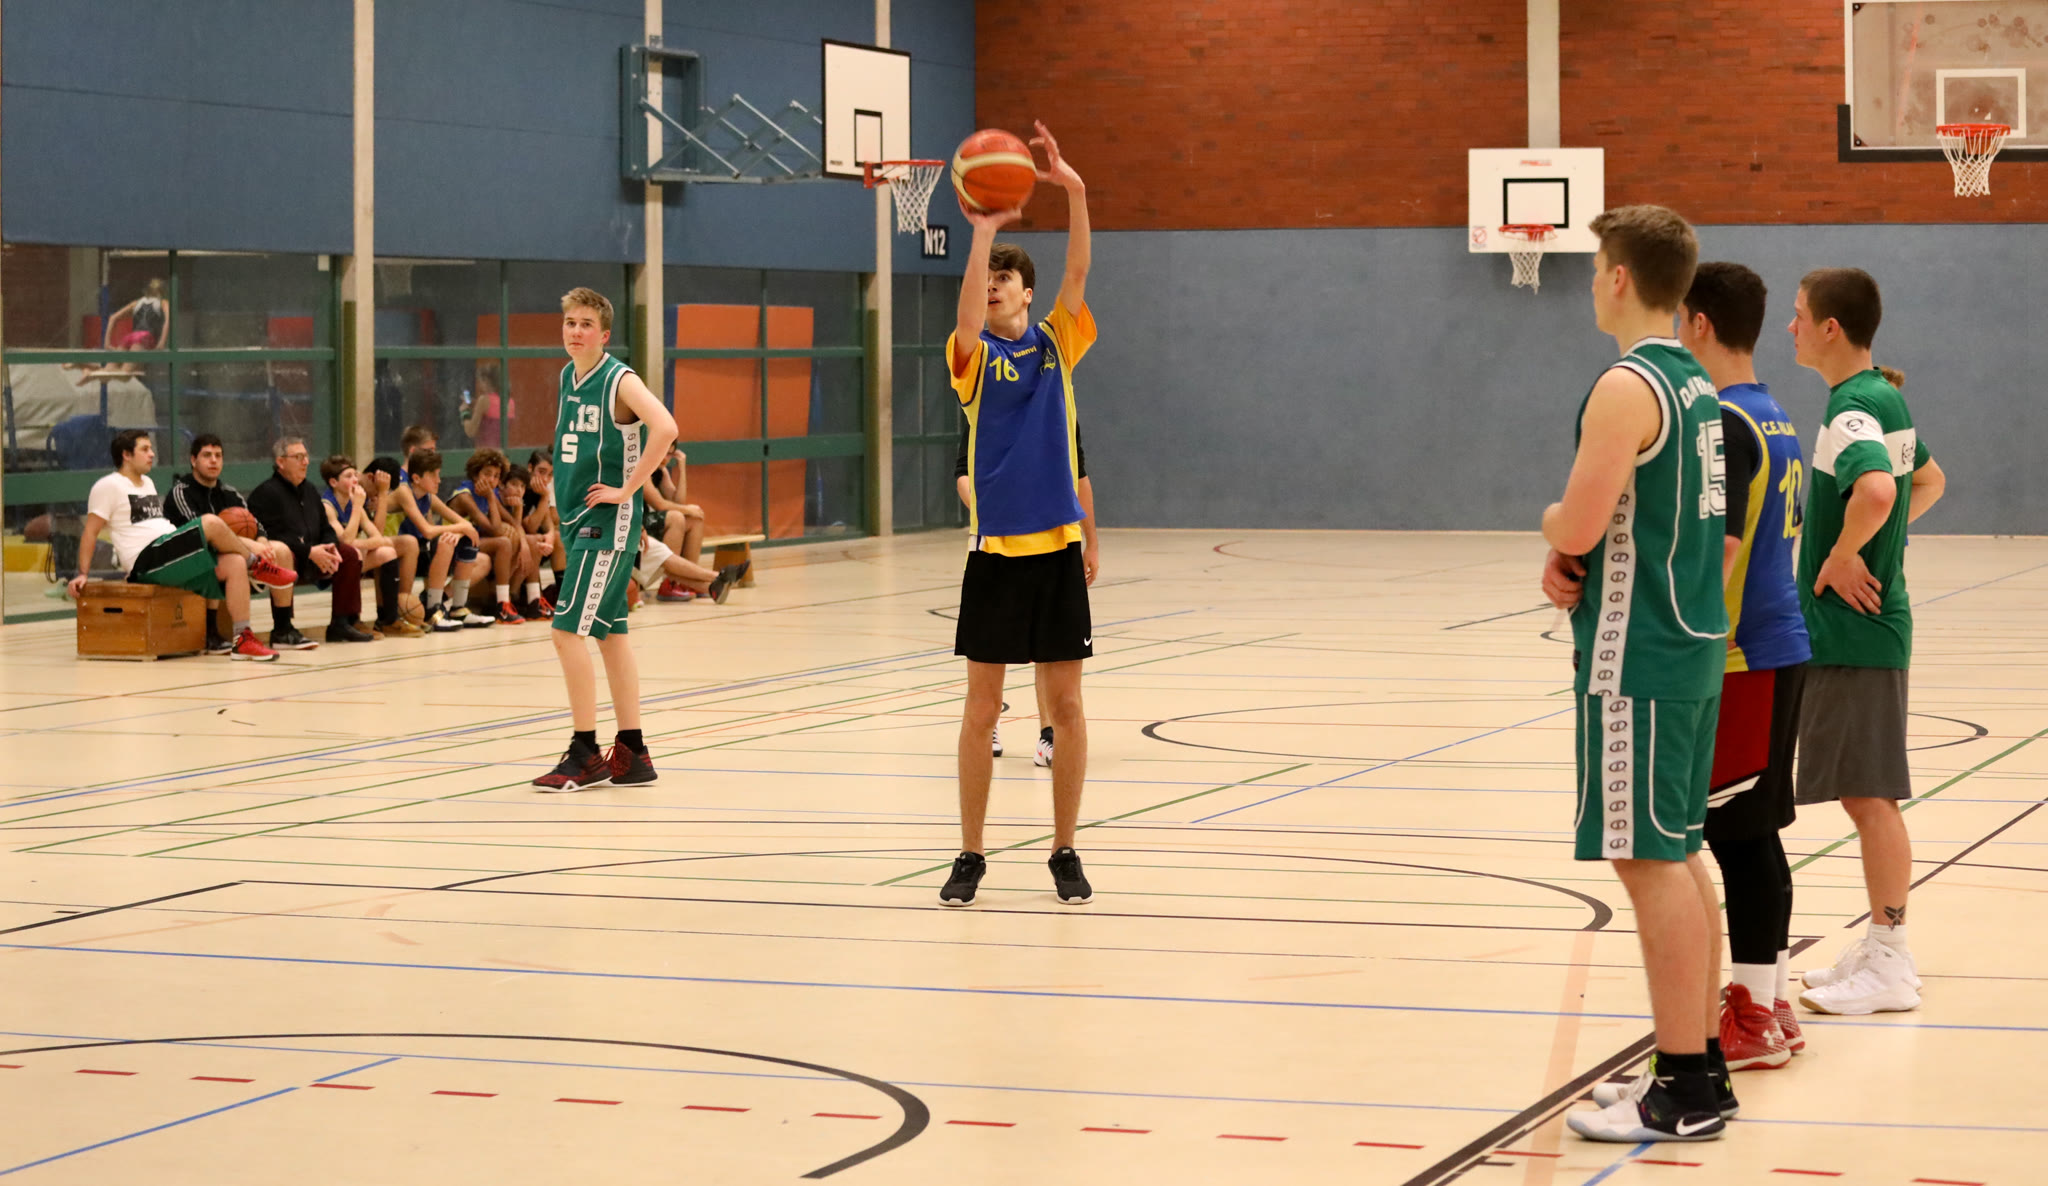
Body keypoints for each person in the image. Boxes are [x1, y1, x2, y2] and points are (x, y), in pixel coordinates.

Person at [1542, 205, 1731, 1143]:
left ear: (1619, 277)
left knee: (1649, 859)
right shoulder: (1695, 381)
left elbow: (1578, 522)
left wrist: (1553, 531)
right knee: (1679, 852)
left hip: (1638, 652)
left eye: (1592, 269)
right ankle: (1697, 1063)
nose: (1589, 284)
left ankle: (1686, 1085)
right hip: (1688, 644)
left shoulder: (1627, 385)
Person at [938, 121, 1096, 908]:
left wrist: (1074, 190)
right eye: (991, 277)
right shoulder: (974, 360)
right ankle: (971, 853)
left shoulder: (1057, 343)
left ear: (1027, 293)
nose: (996, 285)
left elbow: (1078, 270)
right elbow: (967, 320)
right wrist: (981, 232)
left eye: (1007, 277)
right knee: (981, 711)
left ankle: (1064, 848)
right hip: (996, 556)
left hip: (1057, 553)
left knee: (1065, 708)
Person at [1788, 269, 1947, 1016]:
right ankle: (1881, 947)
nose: (1790, 328)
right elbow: (1931, 482)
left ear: (1830, 328)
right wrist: (1872, 547)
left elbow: (1881, 491)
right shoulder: (1883, 396)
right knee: (1865, 793)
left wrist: (1847, 553)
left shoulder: (1854, 404)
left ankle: (1890, 959)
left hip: (1856, 633)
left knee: (1869, 796)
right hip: (1863, 631)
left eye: (1798, 316)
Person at [1670, 262, 1814, 1069]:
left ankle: (1754, 1016)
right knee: (1752, 834)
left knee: (1738, 839)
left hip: (1742, 655)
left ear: (1699, 324)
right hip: (1773, 646)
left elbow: (1721, 551)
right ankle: (1768, 1001)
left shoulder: (1724, 421)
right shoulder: (1773, 413)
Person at [532, 287, 678, 792]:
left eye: (586, 324)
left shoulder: (620, 379)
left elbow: (666, 427)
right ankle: (633, 752)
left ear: (605, 333)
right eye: (569, 323)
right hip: (578, 521)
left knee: (564, 632)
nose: (575, 331)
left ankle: (586, 751)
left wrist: (627, 489)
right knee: (611, 635)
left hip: (606, 523)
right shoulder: (568, 376)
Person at [69, 429, 296, 661]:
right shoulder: (108, 485)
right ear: (126, 455)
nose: (152, 454)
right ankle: (256, 564)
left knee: (234, 563)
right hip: (145, 559)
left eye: (151, 449)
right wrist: (82, 573)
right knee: (210, 522)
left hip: (167, 553)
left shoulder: (147, 483)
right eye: (145, 449)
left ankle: (243, 639)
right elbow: (91, 532)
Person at [958, 415, 1099, 767]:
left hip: (1055, 548)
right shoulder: (986, 406)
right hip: (997, 547)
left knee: (1052, 651)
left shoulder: (1060, 408)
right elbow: (963, 473)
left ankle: (1048, 735)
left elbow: (1078, 475)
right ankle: (988, 723)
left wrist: (1092, 542)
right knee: (992, 648)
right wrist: (989, 510)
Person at [164, 433, 296, 655]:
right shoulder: (181, 493)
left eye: (218, 455)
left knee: (281, 550)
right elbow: (200, 532)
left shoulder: (229, 493)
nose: (213, 461)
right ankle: (211, 631)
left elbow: (255, 524)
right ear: (193, 460)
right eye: (207, 455)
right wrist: (249, 545)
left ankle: (283, 629)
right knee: (219, 554)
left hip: (232, 555)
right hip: (188, 557)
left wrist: (262, 541)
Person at [248, 436, 374, 646]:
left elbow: (326, 528)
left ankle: (341, 623)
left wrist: (330, 546)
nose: (305, 462)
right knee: (282, 552)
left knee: (349, 554)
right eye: (298, 457)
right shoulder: (265, 494)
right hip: (292, 557)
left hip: (315, 555)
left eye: (306, 456)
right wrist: (309, 551)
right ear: (280, 462)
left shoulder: (310, 491)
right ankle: (282, 628)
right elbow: (272, 536)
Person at [320, 454, 424, 639]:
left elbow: (377, 536)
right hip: (326, 561)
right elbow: (345, 542)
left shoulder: (354, 500)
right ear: (334, 482)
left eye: (355, 474)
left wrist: (362, 542)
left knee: (387, 552)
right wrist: (358, 508)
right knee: (355, 553)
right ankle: (352, 620)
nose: (355, 479)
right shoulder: (328, 506)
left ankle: (390, 618)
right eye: (349, 476)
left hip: (349, 555)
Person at [393, 449, 494, 632]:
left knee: (465, 540)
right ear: (416, 478)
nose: (439, 480)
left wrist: (460, 532)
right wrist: (459, 529)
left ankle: (458, 608)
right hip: (396, 549)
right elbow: (427, 531)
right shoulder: (404, 491)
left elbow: (465, 525)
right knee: (446, 541)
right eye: (433, 475)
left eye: (439, 475)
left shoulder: (428, 497)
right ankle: (432, 608)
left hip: (417, 548)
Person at [445, 448, 535, 624]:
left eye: (496, 476)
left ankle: (502, 600)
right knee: (503, 542)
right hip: (449, 545)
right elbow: (495, 529)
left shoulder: (489, 493)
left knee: (512, 537)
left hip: (470, 545)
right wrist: (492, 499)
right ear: (475, 474)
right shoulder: (465, 496)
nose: (492, 480)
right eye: (487, 474)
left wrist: (524, 544)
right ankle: (501, 603)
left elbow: (514, 523)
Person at [497, 465, 556, 616]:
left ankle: (534, 600)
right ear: (501, 484)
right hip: (493, 549)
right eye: (514, 484)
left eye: (522, 486)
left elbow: (548, 523)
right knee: (524, 540)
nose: (519, 490)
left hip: (511, 549)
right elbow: (522, 527)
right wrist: (524, 545)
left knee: (535, 541)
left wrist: (549, 536)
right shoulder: (495, 498)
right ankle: (505, 601)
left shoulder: (522, 498)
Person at [523, 448, 567, 599]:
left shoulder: (540, 491)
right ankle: (534, 599)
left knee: (557, 538)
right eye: (541, 472)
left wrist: (550, 535)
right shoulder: (520, 487)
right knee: (535, 540)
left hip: (531, 540)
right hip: (520, 541)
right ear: (530, 468)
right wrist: (545, 497)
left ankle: (563, 595)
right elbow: (530, 527)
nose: (545, 479)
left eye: (550, 474)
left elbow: (548, 523)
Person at [461, 360, 512, 449]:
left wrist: (464, 412)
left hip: (485, 451)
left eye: (481, 381)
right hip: (502, 450)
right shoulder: (510, 402)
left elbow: (470, 431)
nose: (480, 385)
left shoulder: (484, 400)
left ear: (487, 381)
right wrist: (476, 406)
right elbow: (495, 413)